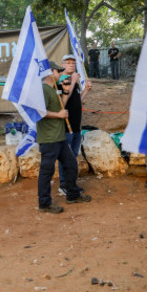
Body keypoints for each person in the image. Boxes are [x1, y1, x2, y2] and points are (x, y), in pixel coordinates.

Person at [36, 62, 92, 214]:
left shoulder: (53, 88)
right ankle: (44, 203)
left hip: (59, 137)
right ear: (49, 73)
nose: (60, 73)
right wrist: (58, 115)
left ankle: (72, 194)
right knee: (46, 171)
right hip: (49, 138)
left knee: (71, 164)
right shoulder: (43, 89)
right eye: (58, 71)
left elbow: (62, 106)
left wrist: (66, 93)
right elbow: (39, 111)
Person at [57, 54, 92, 196]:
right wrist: (73, 82)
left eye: (73, 62)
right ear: (63, 64)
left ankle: (71, 184)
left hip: (77, 126)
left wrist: (86, 91)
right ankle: (63, 185)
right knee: (65, 157)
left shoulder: (75, 80)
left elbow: (78, 100)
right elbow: (62, 102)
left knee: (72, 157)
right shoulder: (61, 80)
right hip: (66, 127)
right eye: (68, 62)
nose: (71, 65)